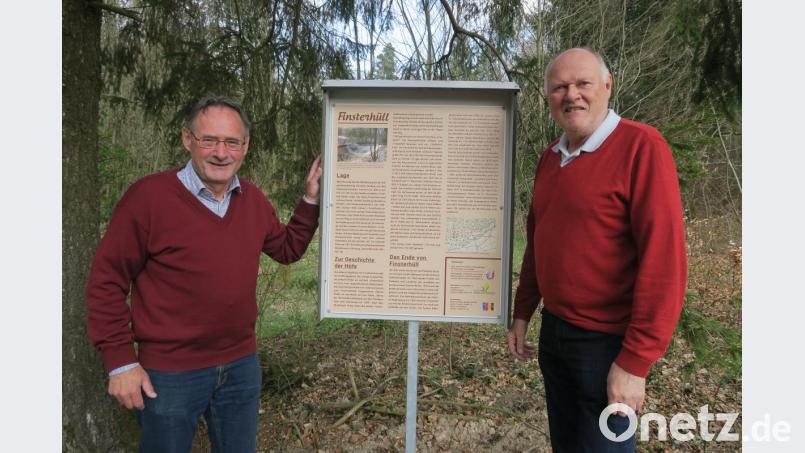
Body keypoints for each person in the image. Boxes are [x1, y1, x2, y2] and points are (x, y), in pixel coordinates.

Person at [86, 95, 323, 452]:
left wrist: (310, 200)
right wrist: (120, 363)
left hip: (241, 367)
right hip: (169, 374)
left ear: (246, 146)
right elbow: (107, 280)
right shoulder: (148, 199)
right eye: (208, 140)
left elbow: (287, 248)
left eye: (231, 142)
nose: (220, 152)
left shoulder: (253, 201)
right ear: (187, 139)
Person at [507, 48, 687, 451]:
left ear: (607, 86)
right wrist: (523, 312)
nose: (572, 95)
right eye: (560, 87)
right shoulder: (550, 159)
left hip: (607, 347)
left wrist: (634, 363)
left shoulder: (643, 147)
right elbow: (538, 244)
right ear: (549, 97)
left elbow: (665, 265)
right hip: (555, 336)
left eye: (583, 84)